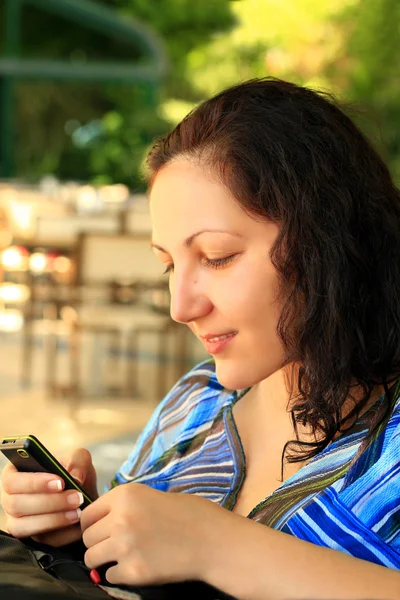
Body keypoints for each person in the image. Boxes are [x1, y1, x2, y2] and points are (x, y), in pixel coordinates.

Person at [1, 77, 400, 600]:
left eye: (217, 256)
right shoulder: (196, 403)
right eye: (168, 265)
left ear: (329, 241)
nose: (180, 307)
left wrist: (220, 546)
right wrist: (86, 534)